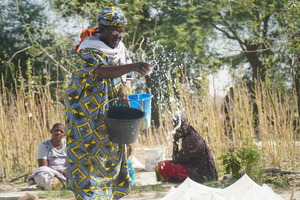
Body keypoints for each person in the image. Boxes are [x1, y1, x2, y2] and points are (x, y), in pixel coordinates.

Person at [64, 6, 153, 199]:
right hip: (85, 115)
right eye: (113, 29)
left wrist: (124, 87)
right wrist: (133, 66)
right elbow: (100, 71)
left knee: (109, 154)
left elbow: (126, 76)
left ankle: (107, 196)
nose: (117, 34)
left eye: (120, 30)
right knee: (87, 156)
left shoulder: (120, 50)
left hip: (108, 112)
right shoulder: (89, 48)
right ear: (101, 29)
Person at [156, 114, 218, 183]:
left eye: (182, 126)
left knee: (162, 167)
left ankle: (167, 182)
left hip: (201, 175)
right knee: (161, 165)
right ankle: (166, 182)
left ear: (186, 124)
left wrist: (175, 141)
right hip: (195, 171)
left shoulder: (192, 139)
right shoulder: (187, 135)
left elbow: (177, 160)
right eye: (178, 127)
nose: (181, 128)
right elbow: (177, 159)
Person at [27, 123, 67, 190]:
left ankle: (59, 185)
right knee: (41, 175)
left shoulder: (68, 144)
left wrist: (65, 171)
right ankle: (61, 184)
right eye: (56, 130)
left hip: (66, 171)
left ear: (64, 134)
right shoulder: (43, 145)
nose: (58, 133)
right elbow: (43, 166)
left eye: (61, 131)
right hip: (50, 172)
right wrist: (59, 171)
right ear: (51, 131)